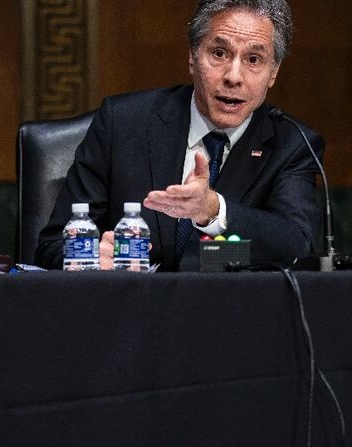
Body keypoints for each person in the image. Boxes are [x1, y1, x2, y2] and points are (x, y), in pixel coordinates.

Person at [34, 0, 324, 271]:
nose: (234, 76)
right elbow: (51, 247)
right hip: (128, 315)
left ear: (273, 73)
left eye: (253, 59)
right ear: (192, 57)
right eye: (219, 53)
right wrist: (90, 259)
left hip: (231, 318)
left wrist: (214, 210)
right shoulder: (123, 123)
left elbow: (297, 247)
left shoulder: (292, 144)